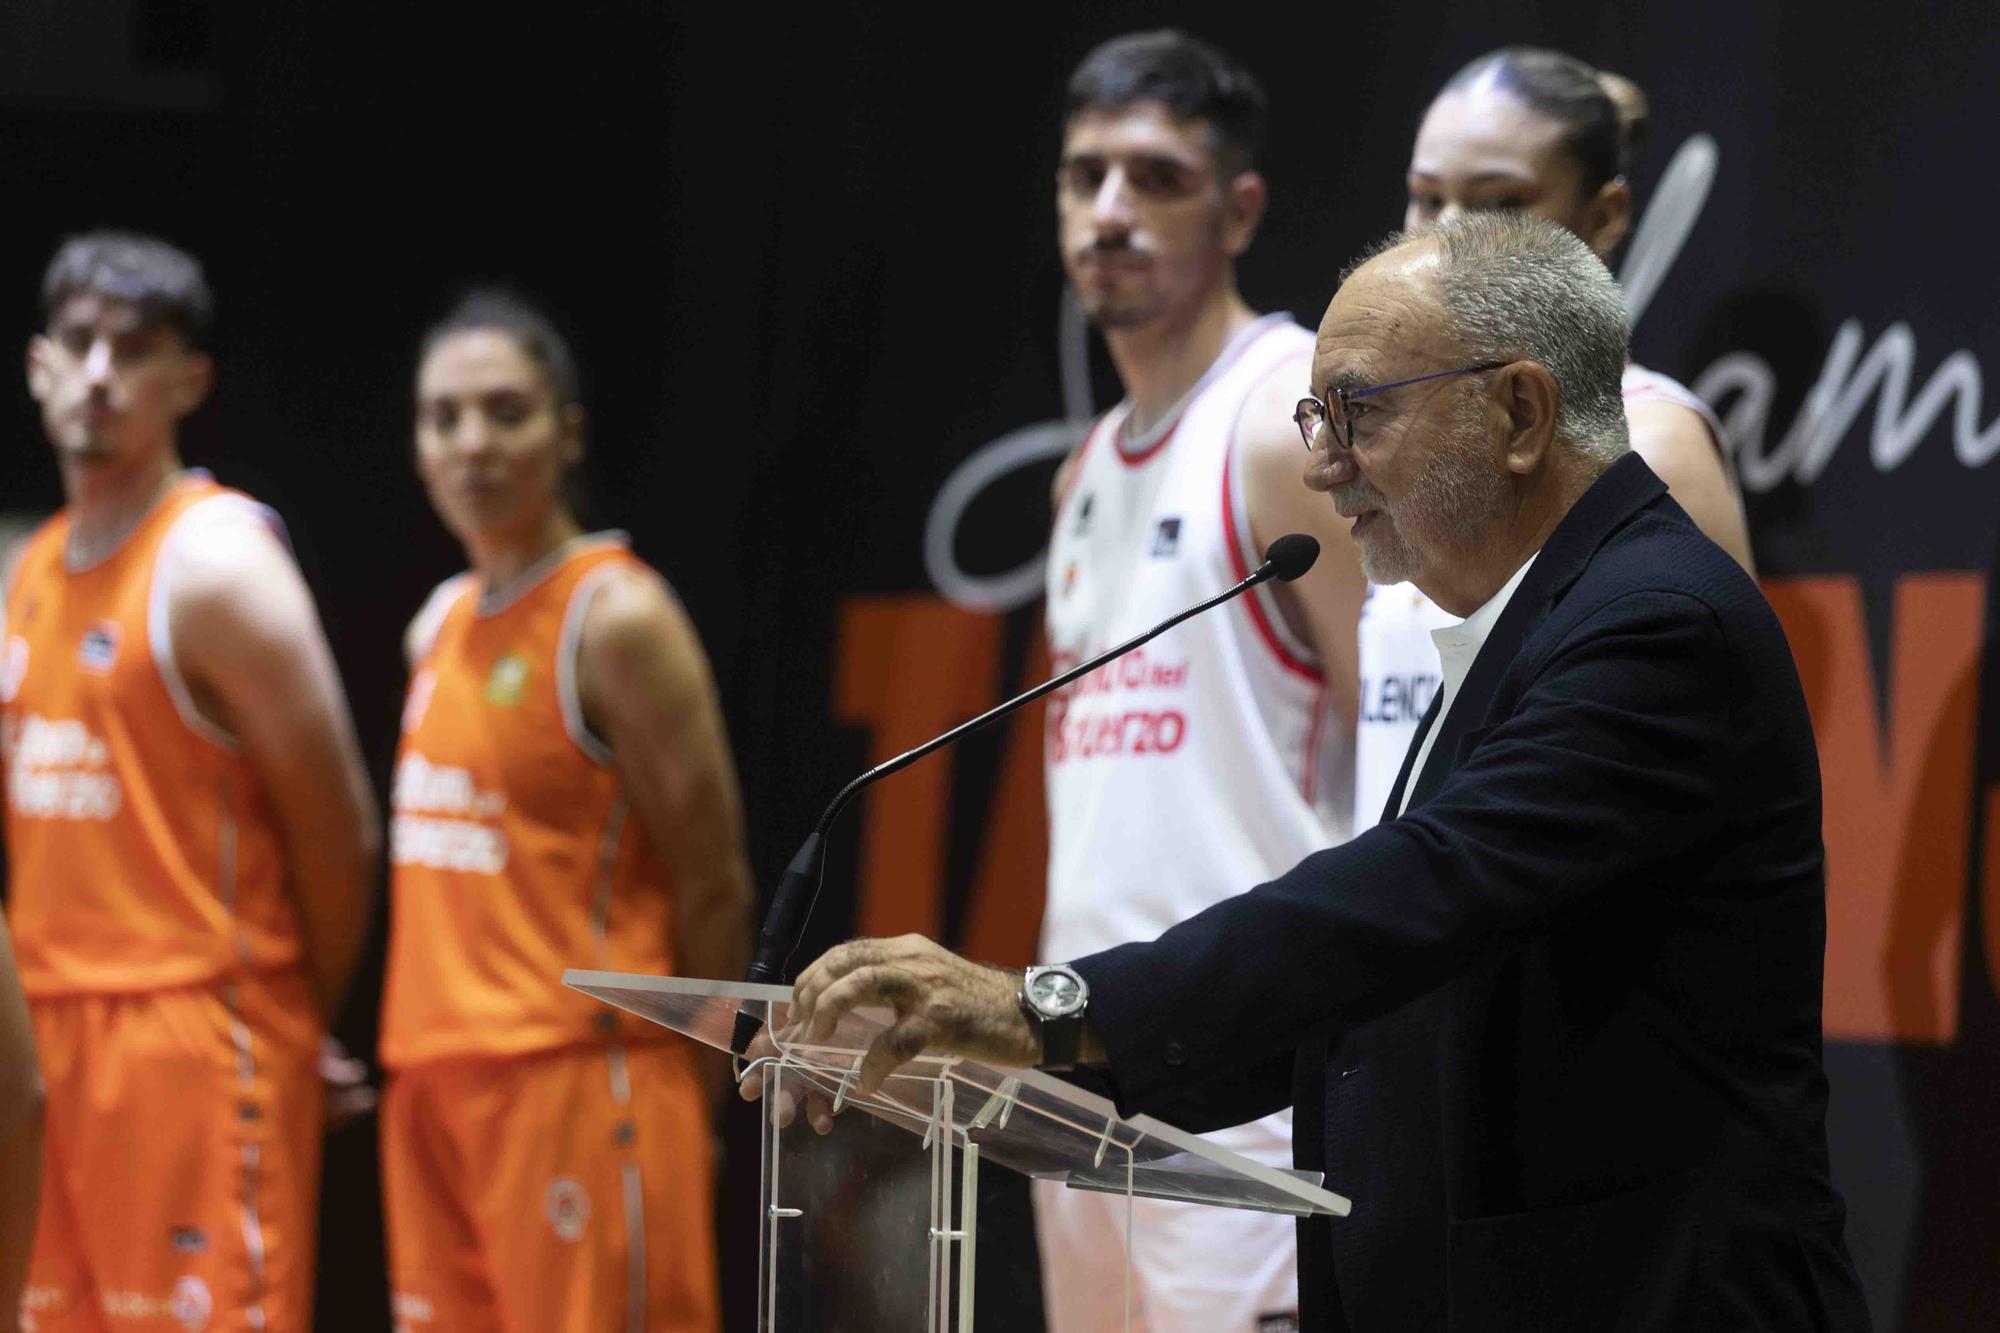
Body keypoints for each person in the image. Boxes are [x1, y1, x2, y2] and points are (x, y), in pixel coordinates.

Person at [757, 213, 1871, 1332]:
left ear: (1520, 412)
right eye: (1311, 413)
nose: (1318, 461)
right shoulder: (1533, 618)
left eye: (1357, 411)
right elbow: (1379, 1008)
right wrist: (1015, 1073)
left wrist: (1049, 1007)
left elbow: (1417, 895)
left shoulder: (1656, 624)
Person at [1035, 30, 1366, 1333]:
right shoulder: (1082, 473)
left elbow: (1415, 754)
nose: (1110, 212)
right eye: (1085, 176)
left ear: (1239, 209)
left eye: (1155, 178)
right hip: (1076, 1069)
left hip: (1244, 1082)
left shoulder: (1284, 422)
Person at [3, 231, 379, 1330]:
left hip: (194, 1038)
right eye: (77, 343)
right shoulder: (29, 571)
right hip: (48, 1044)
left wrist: (289, 1018)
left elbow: (338, 833)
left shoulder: (215, 562)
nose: (100, 373)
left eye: (134, 347)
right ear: (37, 365)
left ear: (189, 381)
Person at [379, 291, 752, 1333]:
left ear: (567, 430)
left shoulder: (615, 614)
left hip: (581, 1086)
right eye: (442, 416)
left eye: (505, 411)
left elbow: (714, 877)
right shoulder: (437, 626)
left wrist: (686, 1097)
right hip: (432, 1086)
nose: (472, 443)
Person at [1357, 46, 1756, 828]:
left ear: (1605, 215)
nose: (1446, 236)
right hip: (1410, 934)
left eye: (1498, 200)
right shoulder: (1393, 447)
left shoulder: (1654, 443)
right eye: (1425, 198)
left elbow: (1721, 754)